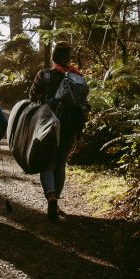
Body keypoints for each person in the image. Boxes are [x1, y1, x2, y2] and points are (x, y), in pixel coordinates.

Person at [29, 41, 88, 222]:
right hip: (69, 127)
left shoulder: (44, 75)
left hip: (48, 126)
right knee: (61, 163)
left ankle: (51, 197)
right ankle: (56, 201)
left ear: (54, 56)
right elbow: (83, 104)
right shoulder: (78, 78)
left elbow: (32, 97)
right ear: (68, 58)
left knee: (48, 163)